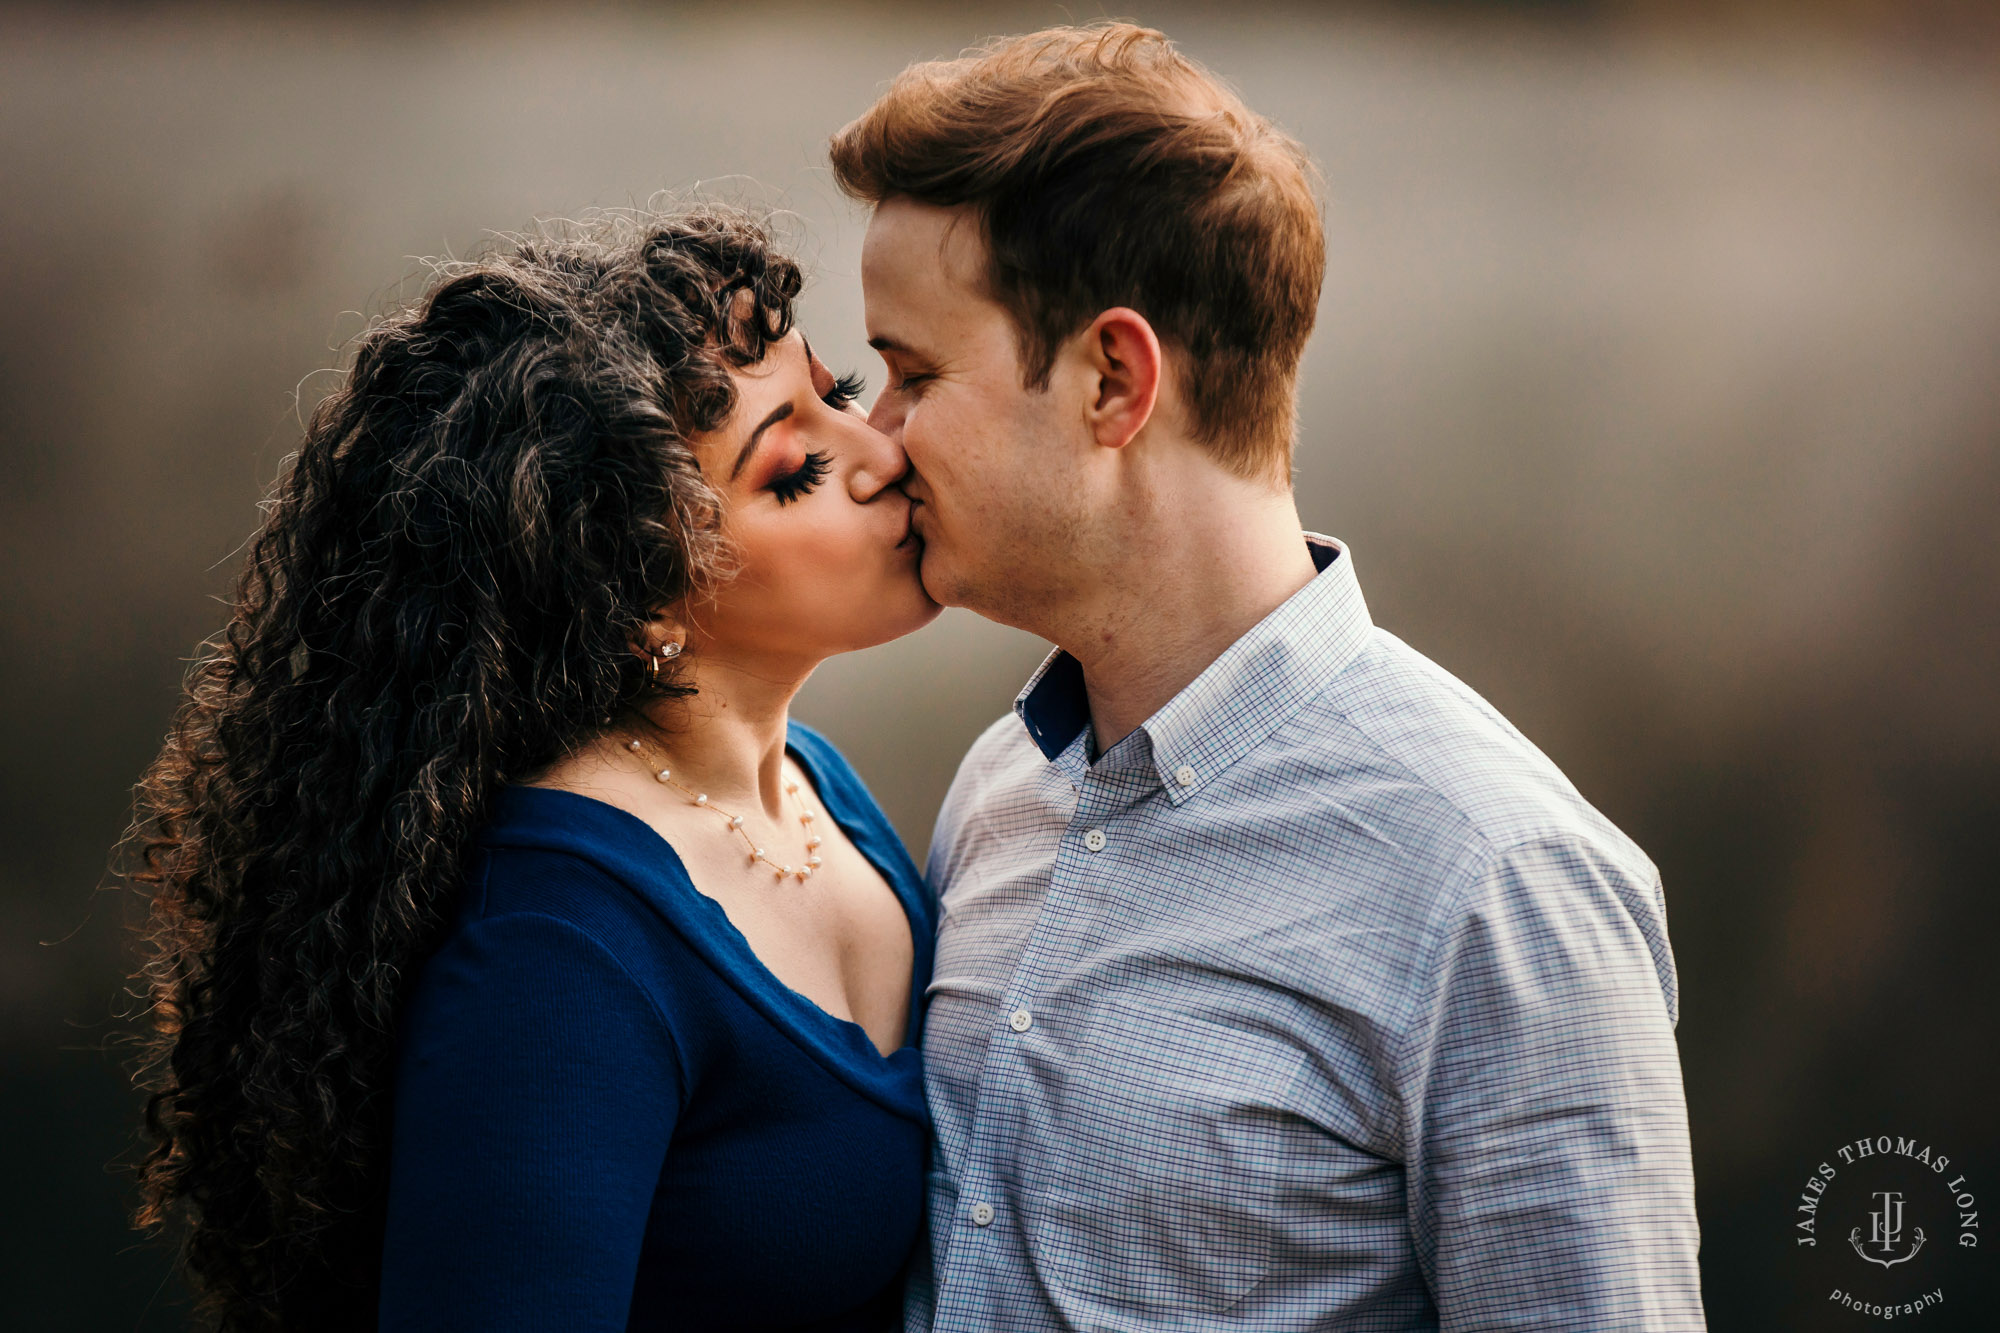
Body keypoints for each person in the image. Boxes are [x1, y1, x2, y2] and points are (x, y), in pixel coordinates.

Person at [831, 23, 1707, 1332]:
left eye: (914, 374)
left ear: (1114, 379)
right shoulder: (1002, 789)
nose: (878, 441)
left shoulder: (1500, 885)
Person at [126, 207, 938, 1332]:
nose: (883, 454)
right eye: (795, 468)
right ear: (639, 592)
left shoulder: (817, 788)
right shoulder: (561, 947)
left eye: (838, 394)